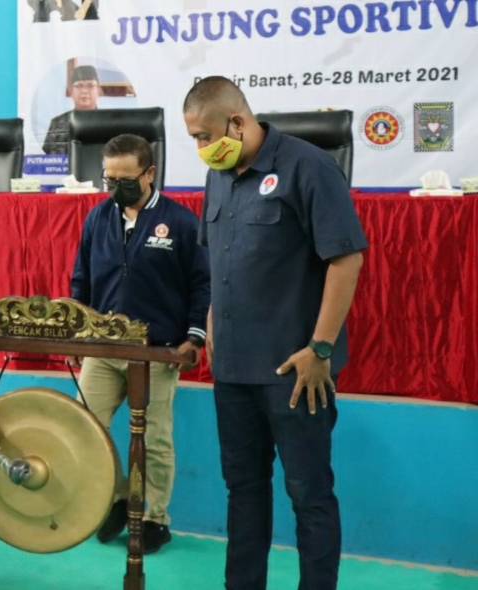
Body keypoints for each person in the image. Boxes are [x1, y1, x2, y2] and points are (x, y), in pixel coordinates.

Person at [182, 76, 367, 590]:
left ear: (237, 123)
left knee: (309, 494)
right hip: (234, 371)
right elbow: (217, 258)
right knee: (243, 491)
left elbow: (346, 259)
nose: (200, 148)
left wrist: (320, 348)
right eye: (193, 138)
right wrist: (214, 321)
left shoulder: (309, 167)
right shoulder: (219, 175)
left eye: (204, 135)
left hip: (295, 370)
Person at [70, 134, 210, 552]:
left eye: (125, 179)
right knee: (88, 427)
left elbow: (201, 285)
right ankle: (115, 501)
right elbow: (82, 278)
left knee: (155, 439)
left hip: (156, 351)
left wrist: (194, 338)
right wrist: (79, 326)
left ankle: (155, 519)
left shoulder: (181, 222)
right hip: (103, 349)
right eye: (108, 179)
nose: (115, 188)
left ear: (149, 174)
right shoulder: (97, 218)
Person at [42, 64, 101, 154]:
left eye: (90, 86)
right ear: (71, 91)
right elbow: (49, 161)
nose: (84, 91)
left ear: (99, 91)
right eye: (79, 86)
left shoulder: (108, 122)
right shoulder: (57, 123)